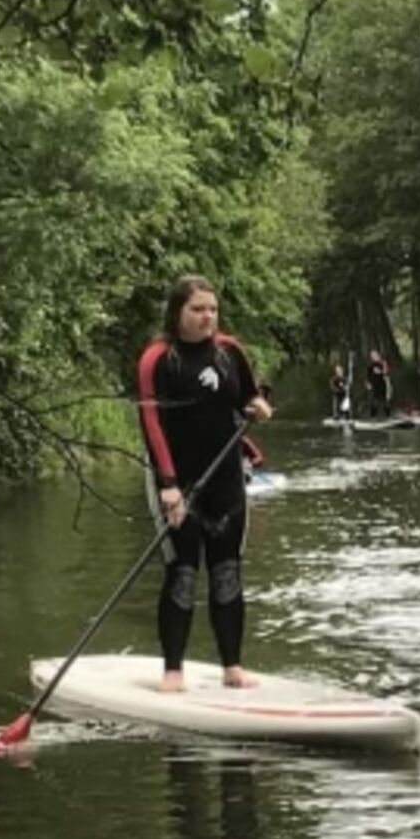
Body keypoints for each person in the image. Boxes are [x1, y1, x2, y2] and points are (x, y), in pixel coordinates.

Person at [134, 273, 273, 692]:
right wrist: (168, 484)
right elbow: (151, 423)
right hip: (177, 479)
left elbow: (250, 396)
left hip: (226, 479)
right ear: (177, 312)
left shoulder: (229, 351)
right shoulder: (158, 358)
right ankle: (173, 671)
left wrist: (258, 406)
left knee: (227, 569)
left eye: (212, 309)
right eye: (197, 309)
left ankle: (232, 667)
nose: (207, 317)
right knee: (182, 571)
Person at [364, 349, 391, 421]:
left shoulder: (383, 363)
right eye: (372, 356)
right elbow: (368, 376)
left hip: (382, 384)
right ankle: (373, 416)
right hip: (374, 384)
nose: (374, 357)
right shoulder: (370, 365)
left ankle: (387, 415)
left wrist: (384, 367)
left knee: (385, 400)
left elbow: (386, 373)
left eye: (375, 355)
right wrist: (368, 383)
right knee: (373, 400)